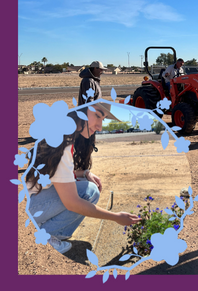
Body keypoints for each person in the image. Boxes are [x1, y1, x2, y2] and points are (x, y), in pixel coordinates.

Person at [26, 102, 142, 254]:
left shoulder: (61, 133)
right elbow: (72, 203)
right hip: (32, 206)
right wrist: (116, 217)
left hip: (33, 199)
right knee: (89, 192)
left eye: (103, 119)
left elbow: (57, 173)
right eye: (97, 116)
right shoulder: (63, 143)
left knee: (87, 185)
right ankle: (46, 234)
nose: (99, 126)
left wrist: (85, 173)